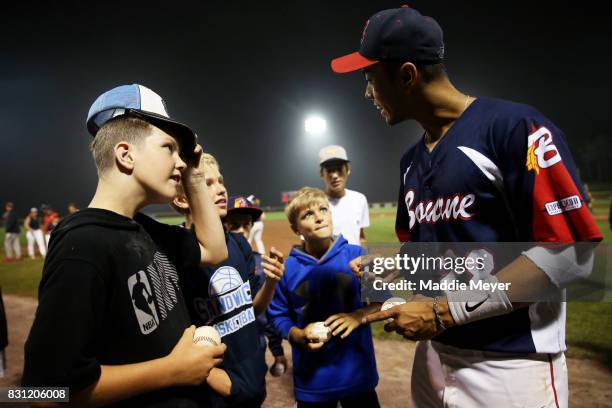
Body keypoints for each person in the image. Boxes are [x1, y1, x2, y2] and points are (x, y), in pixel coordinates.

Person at [331, 6, 603, 408]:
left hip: (511, 363)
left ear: (406, 75)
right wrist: (401, 265)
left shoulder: (514, 127)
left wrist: (442, 312)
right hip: (434, 356)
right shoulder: (411, 161)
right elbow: (438, 248)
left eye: (370, 79)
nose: (367, 93)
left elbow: (569, 255)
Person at [22, 84, 228, 407]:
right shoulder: (82, 243)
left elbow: (215, 250)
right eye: (169, 148)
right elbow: (41, 393)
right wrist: (172, 371)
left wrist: (197, 178)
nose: (182, 163)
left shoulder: (146, 229)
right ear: (125, 154)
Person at [172, 154, 285, 407]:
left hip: (252, 374)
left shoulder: (238, 243)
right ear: (181, 199)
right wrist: (212, 376)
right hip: (214, 391)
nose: (221, 189)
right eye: (206, 183)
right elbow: (172, 337)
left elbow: (253, 309)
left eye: (220, 181)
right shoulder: (178, 257)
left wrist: (271, 283)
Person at [268, 187, 384, 407]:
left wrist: (359, 315)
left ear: (331, 214)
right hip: (313, 383)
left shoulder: (356, 256)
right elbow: (278, 315)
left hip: (357, 376)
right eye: (308, 214)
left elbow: (383, 303)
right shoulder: (288, 268)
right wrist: (298, 335)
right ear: (295, 228)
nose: (319, 217)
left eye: (323, 209)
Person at [223, 195, 288, 378]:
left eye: (247, 224)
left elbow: (265, 314)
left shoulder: (259, 262)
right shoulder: (210, 263)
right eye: (234, 225)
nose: (242, 231)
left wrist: (277, 350)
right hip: (221, 352)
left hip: (254, 349)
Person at [318, 145, 370, 247]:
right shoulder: (315, 203)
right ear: (321, 173)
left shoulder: (359, 199)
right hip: (329, 262)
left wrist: (365, 256)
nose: (335, 175)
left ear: (348, 170)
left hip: (356, 261)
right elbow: (307, 243)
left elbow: (360, 237)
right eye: (329, 170)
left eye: (339, 169)